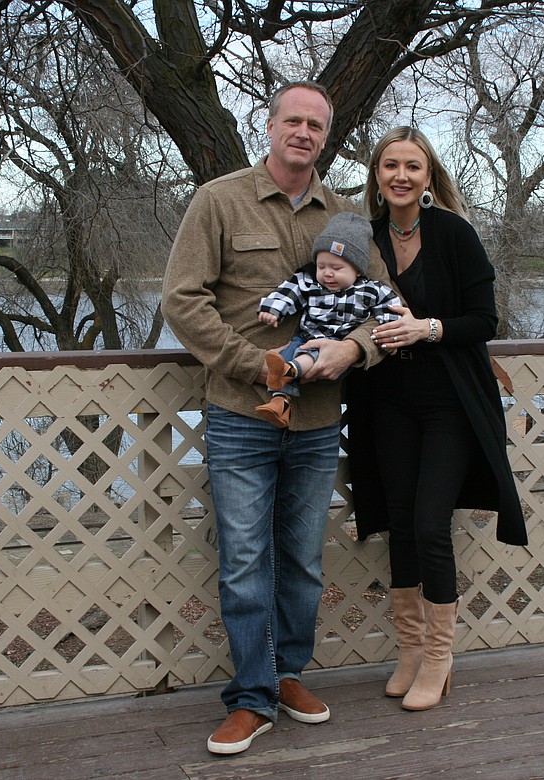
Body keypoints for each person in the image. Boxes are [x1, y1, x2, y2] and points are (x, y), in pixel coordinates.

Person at [161, 82, 393, 756]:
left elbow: (387, 308)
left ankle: (289, 673)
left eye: (315, 124)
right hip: (240, 415)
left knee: (300, 559)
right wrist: (253, 363)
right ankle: (252, 697)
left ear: (326, 135)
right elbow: (182, 300)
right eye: (292, 119)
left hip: (321, 422)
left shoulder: (345, 217)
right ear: (270, 127)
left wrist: (355, 348)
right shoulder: (220, 201)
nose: (303, 132)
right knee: (242, 563)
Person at [346, 126, 528, 712]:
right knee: (400, 523)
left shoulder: (454, 233)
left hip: (450, 401)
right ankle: (409, 649)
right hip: (385, 400)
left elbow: (484, 320)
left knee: (429, 524)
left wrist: (429, 328)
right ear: (377, 176)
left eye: (413, 167)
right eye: (390, 166)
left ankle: (441, 656)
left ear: (429, 178)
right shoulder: (365, 238)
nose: (401, 176)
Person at [256, 211, 403, 428]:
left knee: (304, 357)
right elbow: (288, 291)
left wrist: (389, 335)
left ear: (357, 269)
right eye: (321, 266)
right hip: (305, 337)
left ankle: (290, 370)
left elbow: (392, 308)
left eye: (337, 268)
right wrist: (273, 309)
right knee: (287, 352)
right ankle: (280, 404)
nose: (328, 274)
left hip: (335, 346)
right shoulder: (310, 283)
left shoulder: (369, 289)